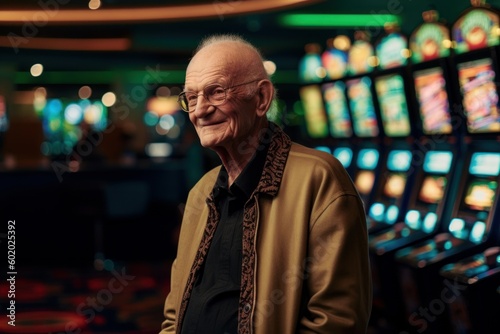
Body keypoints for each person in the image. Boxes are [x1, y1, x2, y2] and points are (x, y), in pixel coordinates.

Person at [160, 34, 372, 334]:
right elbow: (176, 311)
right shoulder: (202, 191)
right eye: (191, 98)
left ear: (261, 99)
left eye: (216, 92)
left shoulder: (319, 177)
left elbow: (336, 321)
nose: (199, 110)